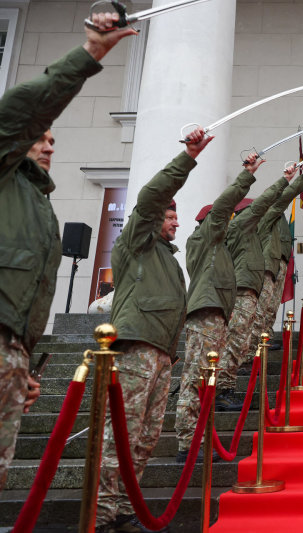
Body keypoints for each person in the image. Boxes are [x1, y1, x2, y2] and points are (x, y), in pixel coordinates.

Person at [0, 11, 134, 494]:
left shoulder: (36, 204)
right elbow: (21, 111)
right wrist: (91, 53)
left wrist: (23, 361)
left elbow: (27, 289)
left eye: (54, 140)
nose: (49, 146)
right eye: (40, 138)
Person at [98, 127, 213, 533]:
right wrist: (187, 158)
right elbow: (148, 200)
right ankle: (100, 513)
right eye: (170, 215)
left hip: (163, 351)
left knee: (145, 438)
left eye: (177, 216)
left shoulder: (166, 258)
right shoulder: (136, 244)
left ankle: (125, 508)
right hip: (137, 347)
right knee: (122, 436)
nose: (176, 223)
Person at [173, 153, 261, 464]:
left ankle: (196, 438)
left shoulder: (216, 246)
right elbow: (223, 207)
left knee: (202, 379)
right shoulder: (205, 239)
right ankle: (187, 441)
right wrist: (245, 176)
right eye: (222, 221)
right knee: (195, 379)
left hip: (214, 314)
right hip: (205, 314)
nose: (228, 224)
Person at [216, 164, 303, 410]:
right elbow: (281, 199)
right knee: (253, 318)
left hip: (271, 267)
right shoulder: (262, 218)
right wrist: (300, 181)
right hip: (259, 272)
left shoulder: (266, 221)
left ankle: (252, 352)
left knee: (264, 314)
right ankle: (246, 359)